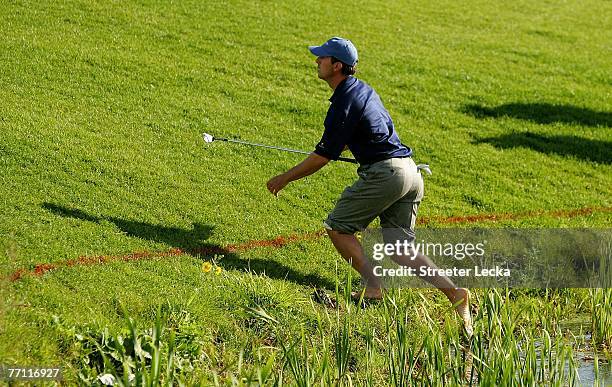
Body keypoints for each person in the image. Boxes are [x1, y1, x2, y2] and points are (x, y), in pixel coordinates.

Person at [266, 37, 472, 335]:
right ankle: (456, 293)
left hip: (387, 174)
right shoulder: (364, 90)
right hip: (411, 173)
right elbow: (370, 130)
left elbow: (322, 157)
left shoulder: (342, 104)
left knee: (338, 228)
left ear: (337, 66)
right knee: (400, 249)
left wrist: (284, 177)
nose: (317, 61)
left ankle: (374, 287)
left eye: (322, 58)